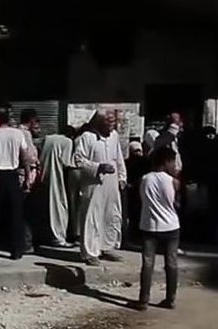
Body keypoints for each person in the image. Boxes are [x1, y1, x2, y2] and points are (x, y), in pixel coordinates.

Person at [73, 111, 127, 266]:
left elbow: (119, 158)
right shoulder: (86, 137)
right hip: (93, 183)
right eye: (109, 123)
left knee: (111, 214)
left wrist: (122, 177)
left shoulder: (114, 136)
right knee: (92, 216)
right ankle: (90, 252)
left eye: (113, 123)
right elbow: (79, 160)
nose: (112, 126)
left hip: (112, 182)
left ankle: (107, 247)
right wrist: (98, 167)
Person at [136, 147, 180, 311]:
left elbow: (142, 200)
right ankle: (171, 299)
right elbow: (177, 203)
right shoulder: (173, 182)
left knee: (147, 263)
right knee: (171, 263)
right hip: (171, 226)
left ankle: (144, 300)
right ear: (166, 162)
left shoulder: (144, 179)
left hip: (149, 226)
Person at [0, 103, 30, 259]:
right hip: (12, 175)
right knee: (15, 214)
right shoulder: (18, 134)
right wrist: (27, 176)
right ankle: (16, 250)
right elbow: (24, 157)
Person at [39, 125, 75, 247]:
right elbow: (66, 162)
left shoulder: (48, 138)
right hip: (57, 176)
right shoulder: (67, 142)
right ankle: (59, 238)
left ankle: (47, 236)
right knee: (59, 207)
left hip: (44, 175)